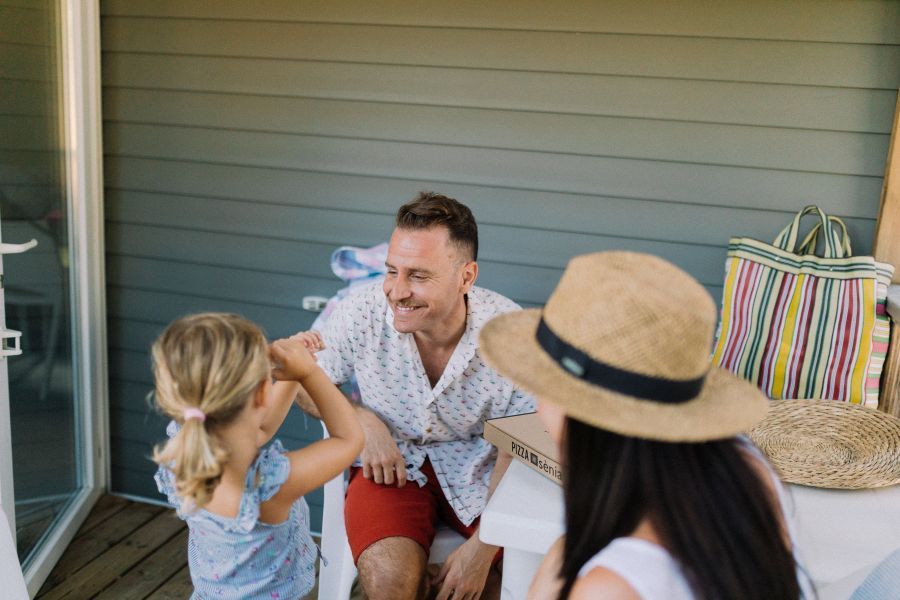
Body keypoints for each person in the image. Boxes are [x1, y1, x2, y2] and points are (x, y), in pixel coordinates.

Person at [478, 252, 810, 599]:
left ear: (576, 412)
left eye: (544, 386)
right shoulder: (747, 469)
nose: (540, 407)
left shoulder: (611, 588)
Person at [290, 192, 535, 599]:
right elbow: (305, 381)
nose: (396, 291)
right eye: (392, 271)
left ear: (466, 277)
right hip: (389, 467)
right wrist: (361, 422)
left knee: (492, 588)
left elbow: (521, 443)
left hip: (483, 471)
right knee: (389, 586)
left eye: (418, 276)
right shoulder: (361, 310)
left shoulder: (511, 333)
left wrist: (483, 546)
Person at [152, 312, 364, 599]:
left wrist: (293, 374)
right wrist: (308, 373)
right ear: (262, 393)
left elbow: (259, 428)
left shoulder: (185, 448)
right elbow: (349, 439)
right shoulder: (267, 486)